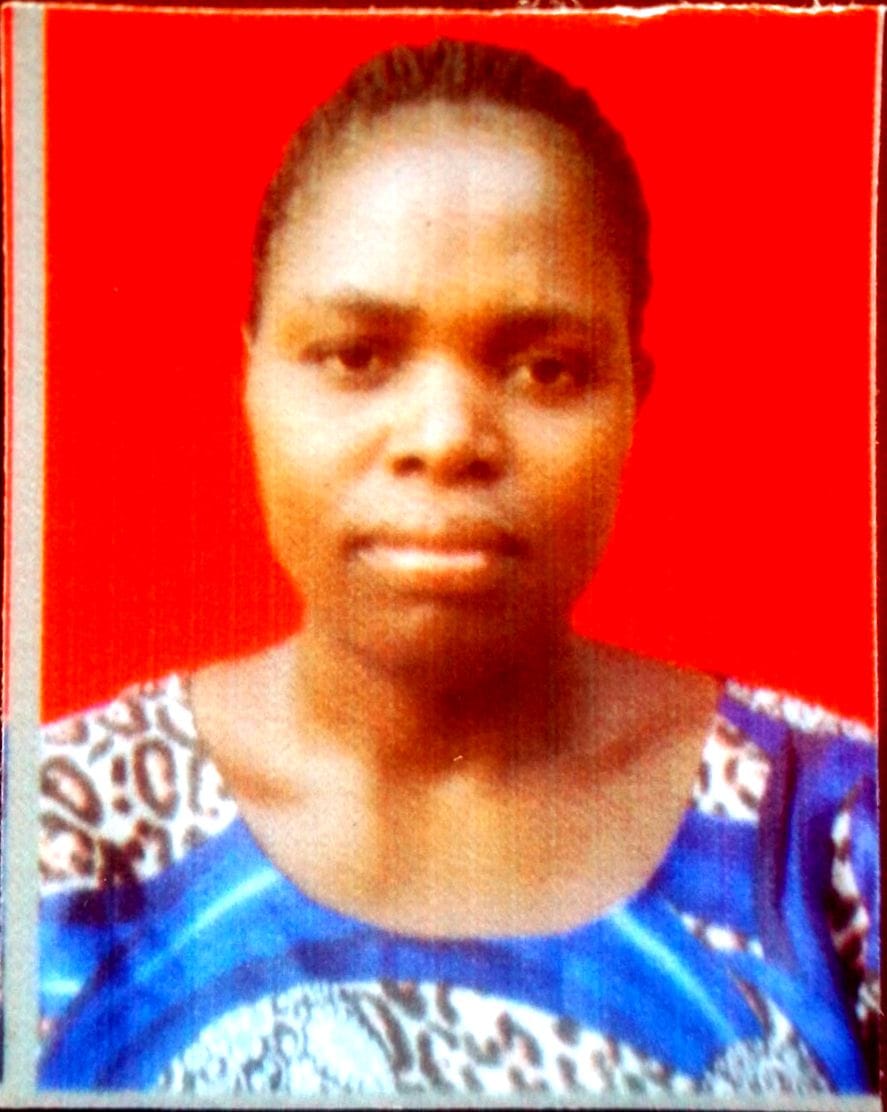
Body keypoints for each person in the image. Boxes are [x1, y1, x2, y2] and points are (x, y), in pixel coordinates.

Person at [38, 39, 878, 1095]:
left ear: (632, 398)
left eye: (544, 369)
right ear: (250, 378)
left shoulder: (839, 843)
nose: (443, 438)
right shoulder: (53, 831)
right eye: (356, 355)